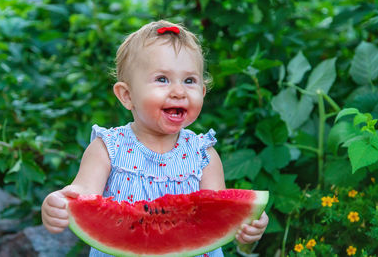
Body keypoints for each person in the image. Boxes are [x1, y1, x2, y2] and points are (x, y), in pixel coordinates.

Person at [41, 20, 269, 257]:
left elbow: (219, 217)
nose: (179, 91)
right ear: (127, 95)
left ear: (202, 92)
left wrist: (246, 229)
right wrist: (58, 203)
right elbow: (80, 196)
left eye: (189, 81)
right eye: (162, 79)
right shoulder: (107, 148)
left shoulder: (204, 155)